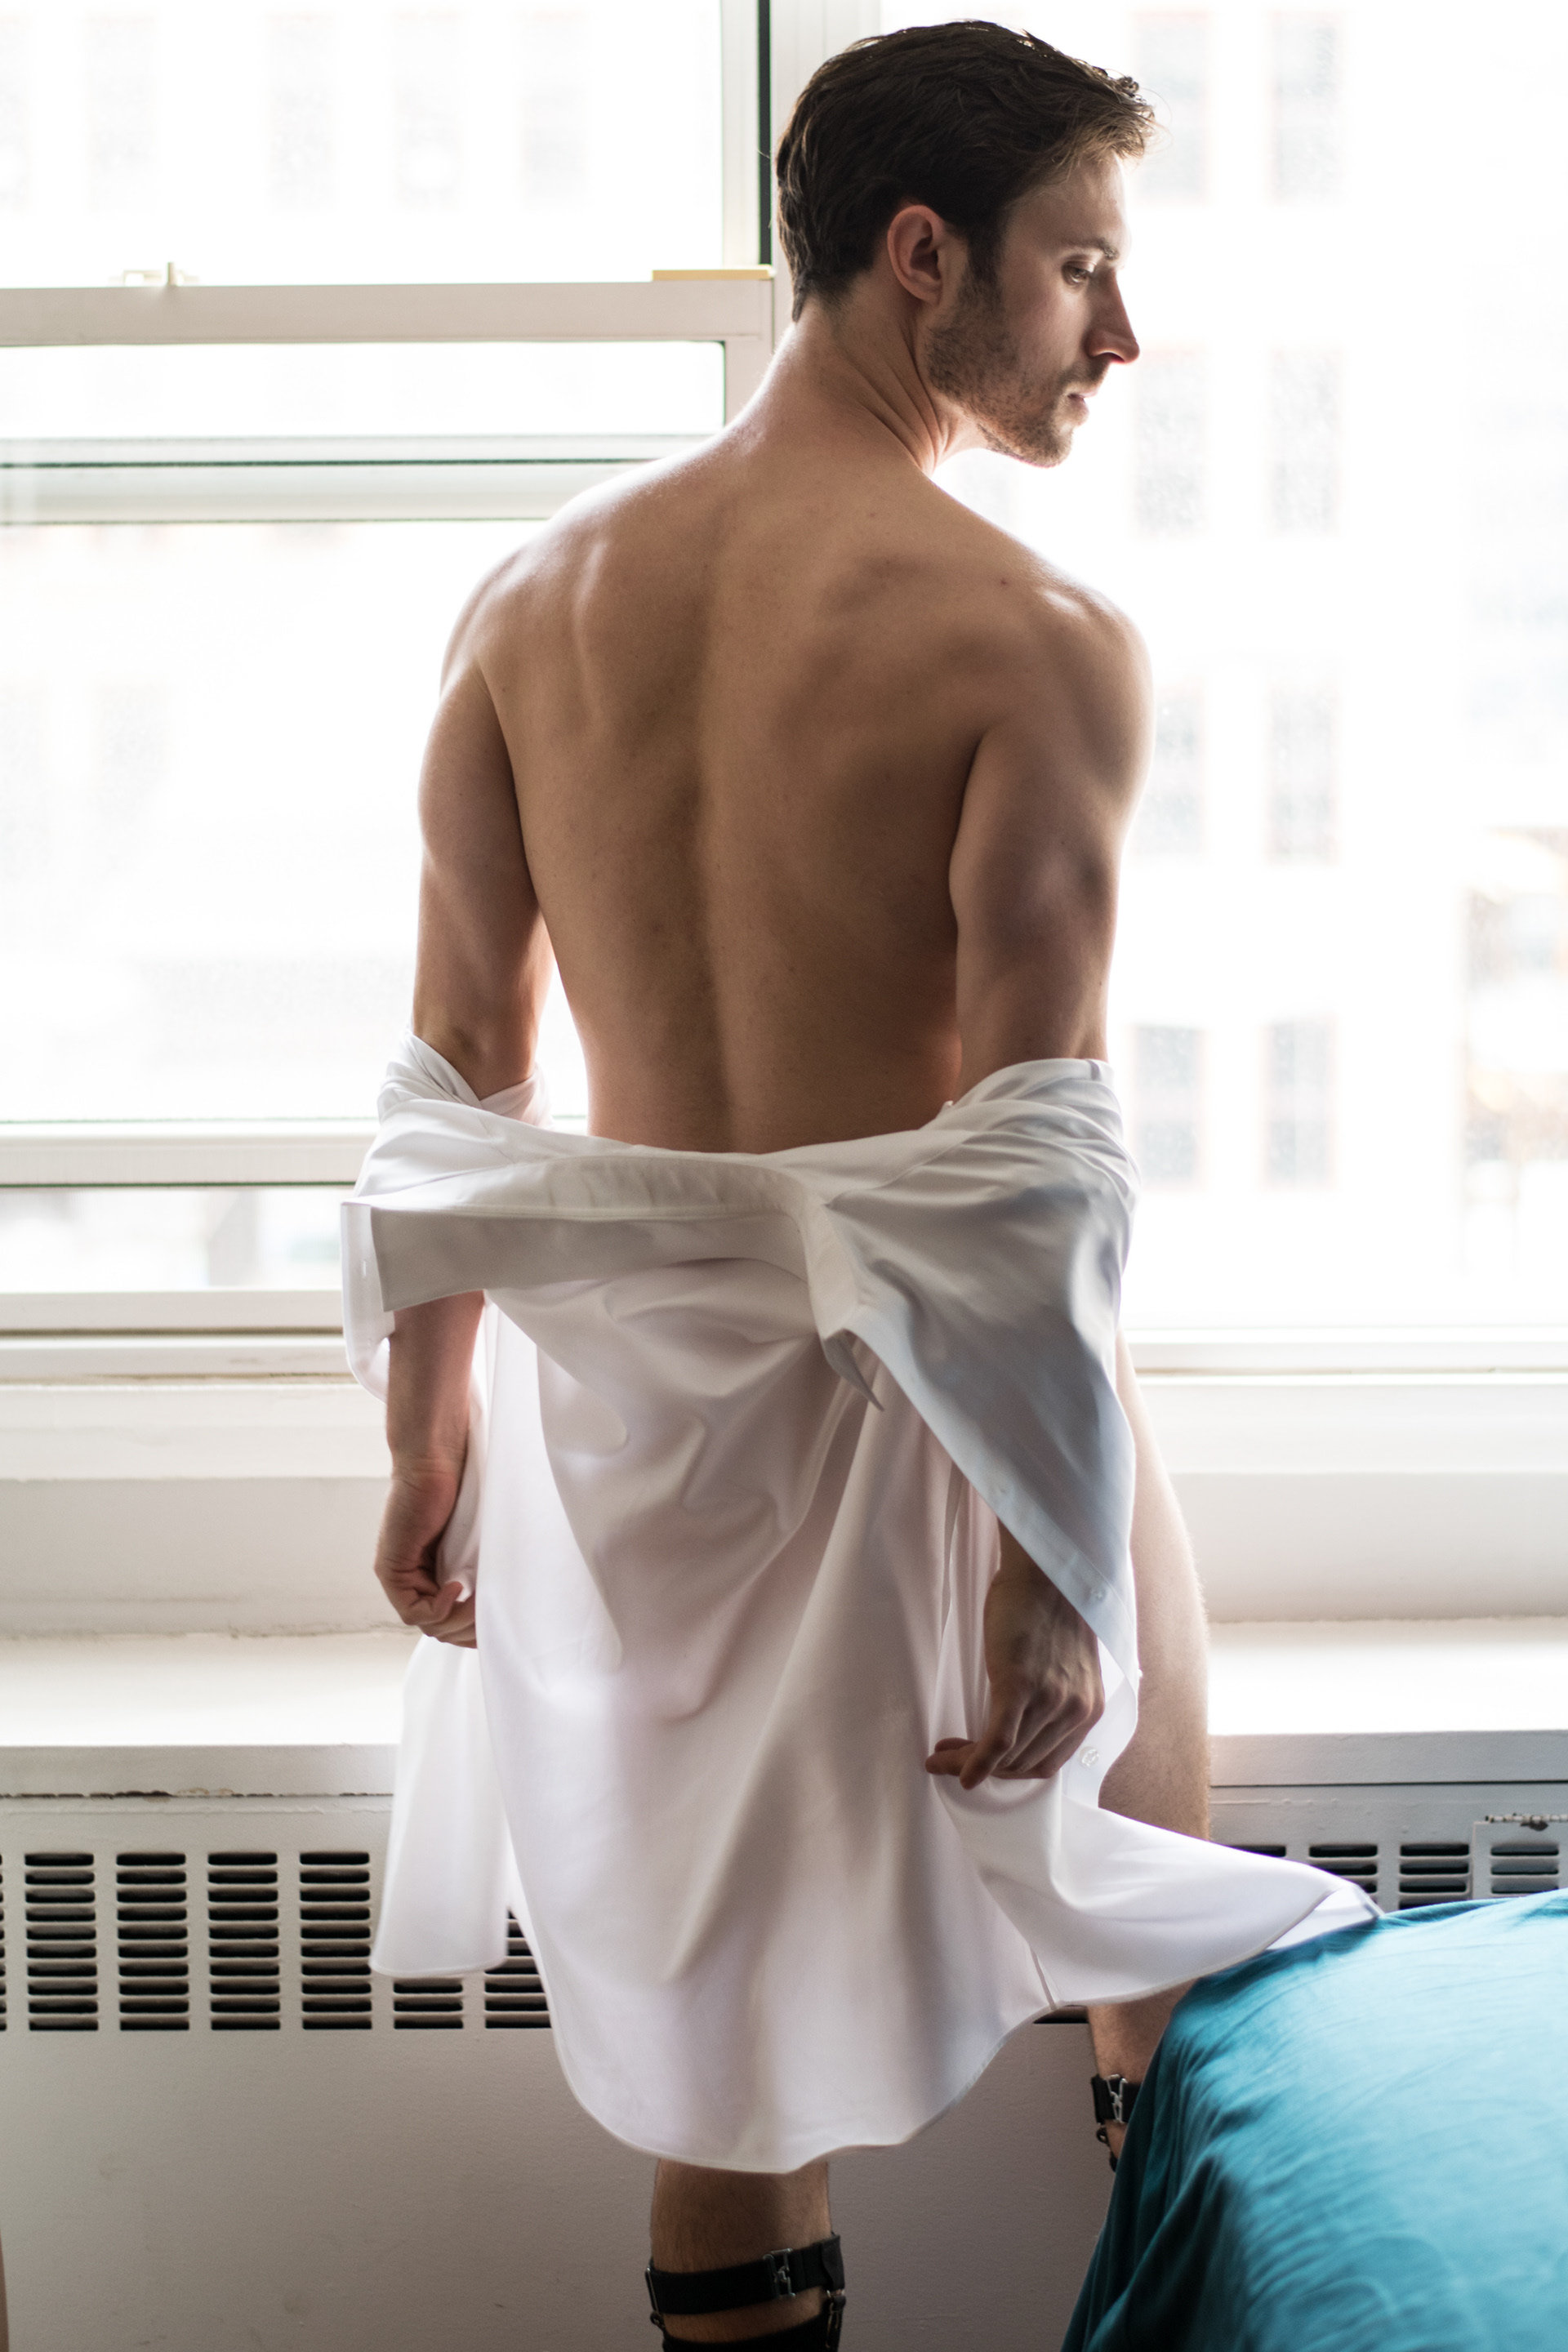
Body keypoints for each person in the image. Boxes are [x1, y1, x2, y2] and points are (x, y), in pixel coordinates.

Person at [352, 24, 1364, 2346]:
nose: (1121, 332)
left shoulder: (529, 604)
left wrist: (425, 1425)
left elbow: (455, 1079)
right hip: (941, 1399)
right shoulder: (1034, 639)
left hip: (642, 1437)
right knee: (1155, 1970)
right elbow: (1026, 1153)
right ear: (925, 257)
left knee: (727, 2073)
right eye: (1081, 268)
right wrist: (1045, 1549)